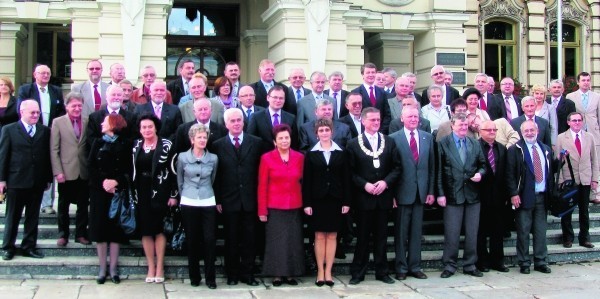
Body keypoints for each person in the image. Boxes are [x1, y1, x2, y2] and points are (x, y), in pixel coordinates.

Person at [347, 107, 400, 285]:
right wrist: (365, 185)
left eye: (378, 120)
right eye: (372, 120)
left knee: (382, 237)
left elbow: (397, 167)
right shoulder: (353, 143)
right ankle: (358, 272)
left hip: (383, 198)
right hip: (364, 199)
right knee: (362, 237)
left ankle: (382, 271)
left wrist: (386, 183)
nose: (376, 123)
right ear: (363, 121)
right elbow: (350, 172)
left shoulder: (389, 141)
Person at [212, 108, 263, 286]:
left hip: (250, 200)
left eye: (239, 120)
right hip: (228, 200)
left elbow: (260, 173)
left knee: (250, 239)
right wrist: (218, 199)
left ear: (244, 122)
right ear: (226, 124)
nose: (236, 123)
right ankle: (232, 274)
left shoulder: (256, 143)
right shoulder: (217, 145)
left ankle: (247, 274)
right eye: (232, 121)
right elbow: (216, 176)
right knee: (231, 239)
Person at [0, 100, 52, 261]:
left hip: (37, 182)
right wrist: (2, 180)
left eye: (38, 112)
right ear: (22, 112)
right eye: (32, 113)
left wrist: (48, 178)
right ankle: (8, 247)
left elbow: (47, 157)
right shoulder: (9, 130)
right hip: (16, 180)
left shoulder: (44, 131)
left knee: (32, 217)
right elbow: (3, 156)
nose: (36, 115)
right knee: (12, 217)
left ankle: (28, 246)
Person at [436, 113, 486, 278]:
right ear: (452, 126)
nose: (464, 128)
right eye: (460, 125)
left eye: (466, 125)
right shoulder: (443, 144)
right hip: (452, 194)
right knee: (452, 233)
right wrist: (440, 194)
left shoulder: (474, 143)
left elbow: (483, 164)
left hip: (472, 195)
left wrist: (480, 173)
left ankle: (470, 264)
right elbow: (438, 171)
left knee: (472, 232)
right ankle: (449, 265)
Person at [389, 106, 435, 281]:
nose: (414, 119)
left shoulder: (427, 138)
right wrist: (392, 194)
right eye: (410, 117)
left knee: (416, 232)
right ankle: (400, 267)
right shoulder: (393, 138)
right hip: (402, 193)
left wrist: (430, 191)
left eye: (416, 116)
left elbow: (432, 167)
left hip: (421, 193)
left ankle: (415, 266)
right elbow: (392, 168)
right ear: (402, 118)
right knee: (401, 233)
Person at [132, 114, 179, 283]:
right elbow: (133, 171)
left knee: (159, 229)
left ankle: (160, 267)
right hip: (141, 192)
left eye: (149, 127)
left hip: (161, 191)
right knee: (146, 230)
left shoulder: (167, 145)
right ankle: (150, 266)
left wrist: (174, 195)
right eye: (143, 127)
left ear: (156, 127)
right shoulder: (136, 145)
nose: (146, 130)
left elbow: (174, 171)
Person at [258, 124, 305, 286]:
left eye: (287, 138)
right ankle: (277, 274)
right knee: (276, 242)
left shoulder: (299, 157)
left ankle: (291, 274)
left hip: (294, 206)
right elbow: (262, 185)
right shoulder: (267, 158)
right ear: (274, 141)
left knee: (293, 241)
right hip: (274, 207)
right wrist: (262, 210)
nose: (284, 141)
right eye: (281, 138)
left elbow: (303, 182)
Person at [87, 113, 131, 284]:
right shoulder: (98, 142)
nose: (101, 124)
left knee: (114, 231)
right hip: (99, 191)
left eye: (105, 122)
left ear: (113, 124)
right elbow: (90, 166)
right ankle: (102, 269)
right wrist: (103, 182)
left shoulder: (125, 144)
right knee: (100, 229)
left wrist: (116, 182)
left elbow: (128, 169)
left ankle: (113, 269)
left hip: (117, 193)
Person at [505, 120, 553, 274]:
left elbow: (550, 172)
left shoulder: (545, 149)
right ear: (521, 132)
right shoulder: (515, 149)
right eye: (526, 131)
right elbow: (510, 174)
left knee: (540, 231)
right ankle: (524, 263)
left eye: (532, 130)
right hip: (524, 196)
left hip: (542, 197)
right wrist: (513, 194)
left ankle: (540, 261)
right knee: (523, 231)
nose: (530, 133)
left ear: (537, 131)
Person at [177, 123, 219, 289]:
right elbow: (180, 180)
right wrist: (185, 196)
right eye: (199, 137)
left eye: (204, 137)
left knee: (209, 239)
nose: (202, 140)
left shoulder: (214, 158)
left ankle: (211, 278)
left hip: (208, 200)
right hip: (189, 200)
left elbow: (213, 178)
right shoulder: (182, 157)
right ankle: (194, 276)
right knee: (192, 240)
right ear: (192, 139)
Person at [50, 92, 90, 247]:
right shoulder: (58, 122)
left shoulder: (87, 121)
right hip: (65, 171)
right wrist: (57, 171)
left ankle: (80, 234)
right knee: (63, 205)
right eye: (74, 105)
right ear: (67, 107)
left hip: (83, 170)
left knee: (82, 205)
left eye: (80, 105)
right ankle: (63, 234)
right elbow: (54, 149)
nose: (77, 108)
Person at [555, 112, 598, 249]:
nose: (577, 123)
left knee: (584, 211)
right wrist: (561, 180)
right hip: (569, 179)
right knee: (567, 211)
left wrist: (595, 179)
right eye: (574, 120)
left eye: (579, 120)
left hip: (585, 179)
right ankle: (567, 238)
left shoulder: (589, 137)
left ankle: (584, 238)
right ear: (568, 122)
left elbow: (594, 160)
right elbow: (558, 162)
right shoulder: (562, 138)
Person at [476, 120, 509, 273]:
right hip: (480, 195)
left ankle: (498, 261)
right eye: (488, 130)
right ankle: (482, 261)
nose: (491, 132)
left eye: (494, 130)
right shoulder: (475, 146)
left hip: (498, 196)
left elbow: (507, 173)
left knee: (498, 230)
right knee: (481, 230)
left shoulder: (501, 148)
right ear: (480, 131)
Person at [566, 72, 600, 204]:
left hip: (593, 133)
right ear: (578, 82)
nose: (586, 82)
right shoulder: (571, 96)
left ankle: (595, 193)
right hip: (576, 133)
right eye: (583, 80)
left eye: (588, 80)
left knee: (595, 163)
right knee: (579, 164)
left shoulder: (597, 96)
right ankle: (575, 193)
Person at [247, 85, 298, 151]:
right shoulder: (256, 117)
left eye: (281, 98)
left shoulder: (291, 118)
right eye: (275, 97)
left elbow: (294, 143)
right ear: (268, 98)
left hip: (285, 158)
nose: (278, 100)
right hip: (262, 158)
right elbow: (250, 140)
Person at [351, 63, 392, 134]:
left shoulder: (383, 93)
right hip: (362, 133)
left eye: (373, 72)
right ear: (362, 75)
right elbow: (354, 114)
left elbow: (387, 114)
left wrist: (381, 131)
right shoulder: (355, 92)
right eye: (368, 72)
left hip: (380, 132)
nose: (371, 75)